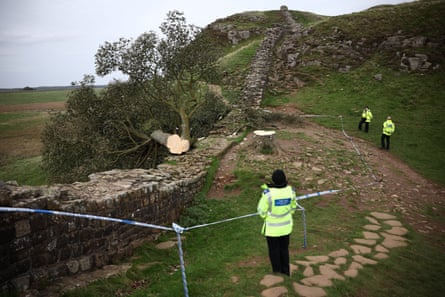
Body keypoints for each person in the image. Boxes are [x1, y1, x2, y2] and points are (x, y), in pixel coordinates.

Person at [257, 169, 297, 276]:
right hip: (286, 227)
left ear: (273, 180)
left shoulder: (268, 194)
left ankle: (277, 271)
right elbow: (293, 207)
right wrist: (287, 214)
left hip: (272, 229)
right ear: (285, 179)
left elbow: (261, 210)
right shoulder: (291, 191)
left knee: (274, 250)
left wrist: (267, 217)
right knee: (284, 249)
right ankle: (286, 271)